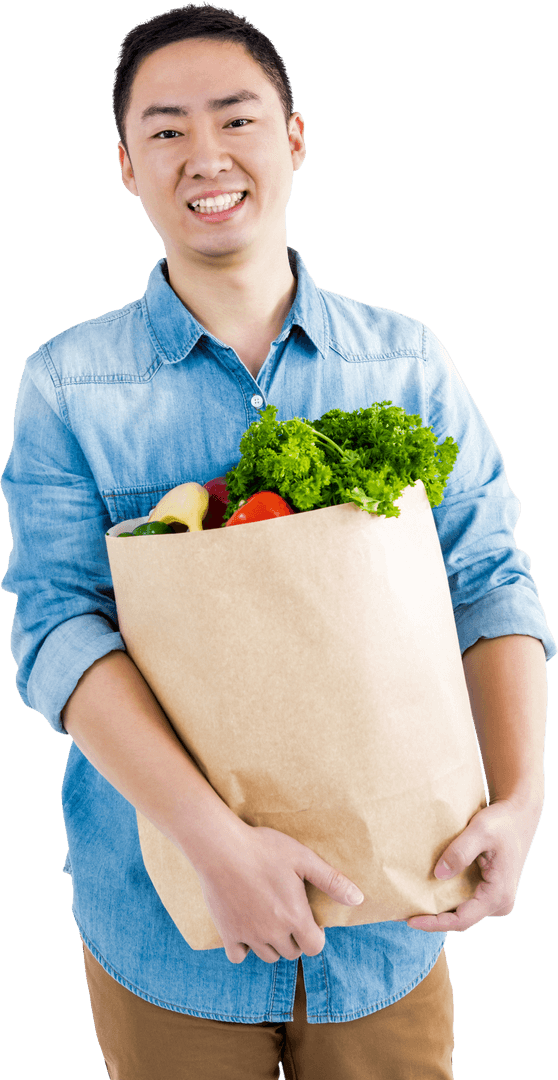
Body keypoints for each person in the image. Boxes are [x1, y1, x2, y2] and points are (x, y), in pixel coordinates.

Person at [1, 4, 554, 1078]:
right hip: (165, 928)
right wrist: (214, 842)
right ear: (124, 166)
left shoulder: (407, 364)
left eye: (236, 118)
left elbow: (490, 585)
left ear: (294, 140)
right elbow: (56, 631)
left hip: (394, 921)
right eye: (165, 130)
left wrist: (523, 798)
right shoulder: (68, 383)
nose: (204, 155)